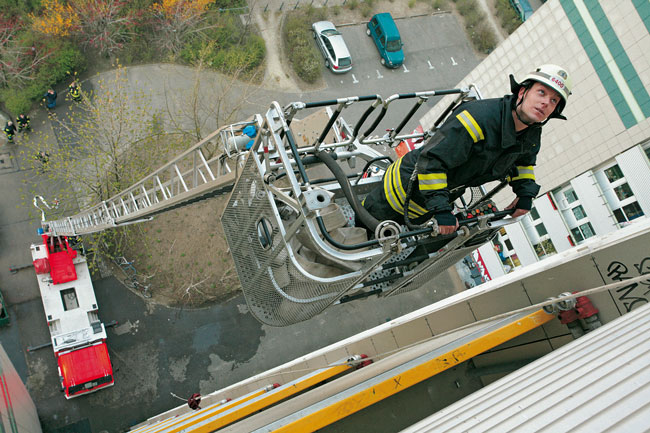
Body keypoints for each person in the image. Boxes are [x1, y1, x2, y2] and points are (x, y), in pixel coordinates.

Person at [361, 64, 572, 235]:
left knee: (389, 238)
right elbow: (432, 161)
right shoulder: (477, 119)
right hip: (401, 190)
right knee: (362, 230)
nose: (545, 102)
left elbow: (522, 163)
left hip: (433, 200)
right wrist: (441, 209)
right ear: (523, 92)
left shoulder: (531, 133)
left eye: (553, 100)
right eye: (541, 93)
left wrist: (525, 194)